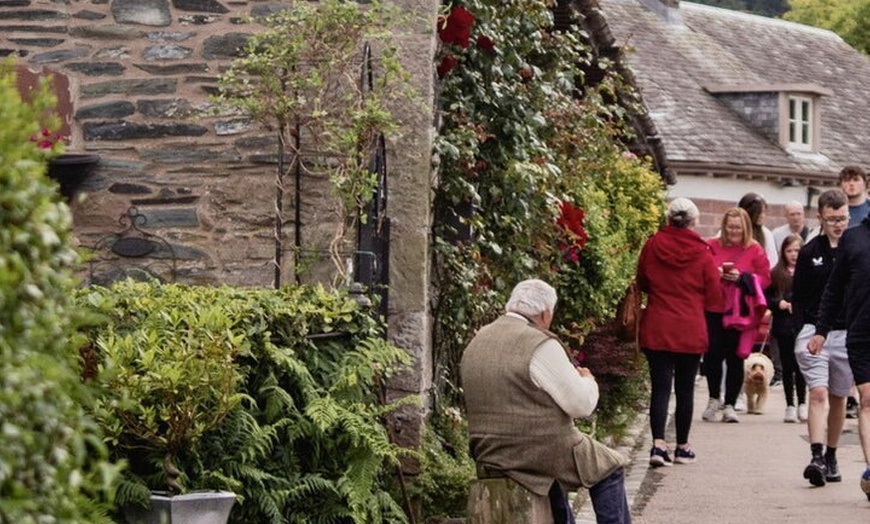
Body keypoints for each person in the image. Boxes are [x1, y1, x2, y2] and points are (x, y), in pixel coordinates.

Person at [461, 279, 631, 524]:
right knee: (609, 467)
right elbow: (581, 405)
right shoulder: (539, 344)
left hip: (488, 450)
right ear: (545, 313)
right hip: (538, 449)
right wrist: (588, 381)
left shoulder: (478, 340)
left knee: (552, 480)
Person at [637, 197, 720, 467]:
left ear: (668, 218)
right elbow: (714, 294)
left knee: (660, 388)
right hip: (689, 327)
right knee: (685, 390)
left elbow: (643, 281)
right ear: (694, 222)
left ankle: (658, 445)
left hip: (659, 324)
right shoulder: (702, 251)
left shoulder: (652, 245)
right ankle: (682, 447)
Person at [807, 203, 870, 501]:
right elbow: (834, 288)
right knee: (868, 400)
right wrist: (821, 330)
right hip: (861, 334)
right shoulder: (854, 238)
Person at [791, 189, 851, 488]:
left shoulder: (857, 249)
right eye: (832, 219)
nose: (838, 225)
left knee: (839, 396)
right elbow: (798, 295)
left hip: (847, 333)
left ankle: (831, 455)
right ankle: (815, 456)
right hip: (815, 332)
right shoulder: (809, 251)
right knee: (818, 393)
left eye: (842, 219)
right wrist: (803, 328)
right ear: (821, 218)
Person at [702, 207, 771, 423]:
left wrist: (743, 278)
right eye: (730, 227)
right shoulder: (711, 246)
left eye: (737, 228)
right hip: (714, 307)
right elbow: (701, 271)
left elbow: (765, 278)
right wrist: (717, 274)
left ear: (746, 228)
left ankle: (731, 403)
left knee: (735, 358)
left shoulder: (754, 249)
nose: (733, 232)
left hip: (740, 311)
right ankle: (714, 398)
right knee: (713, 355)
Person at [766, 233, 807, 423]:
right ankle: (790, 404)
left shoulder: (807, 271)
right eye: (789, 250)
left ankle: (802, 403)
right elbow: (767, 298)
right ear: (783, 252)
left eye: (797, 250)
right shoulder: (776, 273)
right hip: (783, 326)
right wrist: (778, 303)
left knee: (801, 367)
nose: (794, 254)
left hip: (802, 325)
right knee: (787, 365)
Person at [838, 165, 868, 419]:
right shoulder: (841, 214)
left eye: (855, 180)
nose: (851, 185)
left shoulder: (866, 211)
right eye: (846, 181)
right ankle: (850, 395)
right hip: (849, 287)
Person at [738, 192, 778, 267]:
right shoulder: (733, 231)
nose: (763, 216)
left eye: (763, 212)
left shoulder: (766, 233)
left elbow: (772, 262)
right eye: (759, 213)